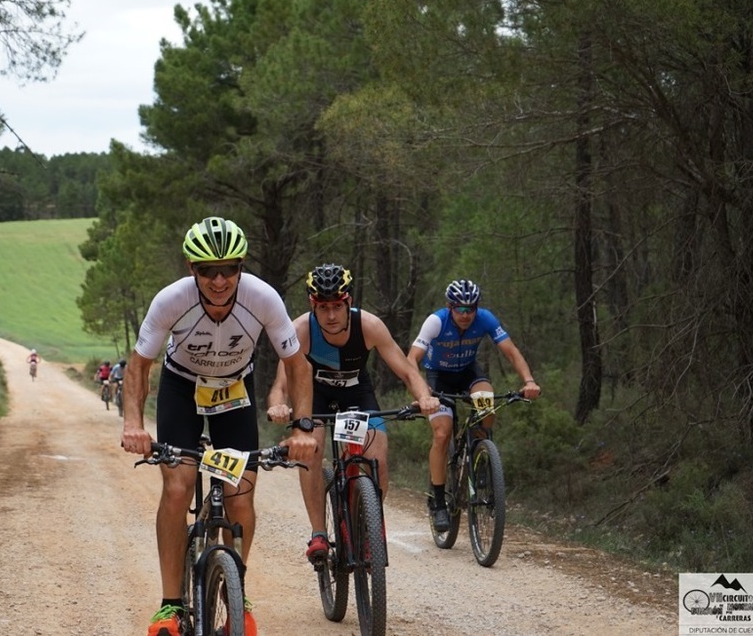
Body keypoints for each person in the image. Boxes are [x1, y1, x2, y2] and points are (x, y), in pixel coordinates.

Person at [120, 216, 318, 636]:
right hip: (182, 388)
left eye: (229, 268)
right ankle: (170, 605)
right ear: (192, 269)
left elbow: (297, 365)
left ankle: (237, 591)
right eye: (208, 270)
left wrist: (302, 427)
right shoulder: (170, 300)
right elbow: (139, 366)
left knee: (240, 496)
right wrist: (134, 424)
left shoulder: (262, 298)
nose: (219, 279)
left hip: (234, 391)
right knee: (178, 486)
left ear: (241, 267)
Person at [266, 263, 440, 566]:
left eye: (337, 306)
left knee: (377, 458)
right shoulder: (300, 331)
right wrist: (279, 405)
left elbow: (407, 371)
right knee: (310, 452)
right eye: (323, 307)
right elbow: (280, 385)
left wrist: (425, 397)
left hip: (357, 395)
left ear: (349, 302)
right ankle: (319, 532)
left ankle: (368, 523)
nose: (331, 316)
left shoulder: (369, 325)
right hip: (316, 398)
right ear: (313, 305)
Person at [407, 278, 541, 532]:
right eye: (460, 309)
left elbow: (510, 351)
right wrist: (423, 394)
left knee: (487, 404)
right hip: (439, 379)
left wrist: (529, 381)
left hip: (469, 374)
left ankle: (480, 455)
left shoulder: (486, 319)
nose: (466, 315)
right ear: (450, 307)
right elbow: (412, 359)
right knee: (442, 433)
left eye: (472, 309)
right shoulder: (436, 321)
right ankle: (437, 502)